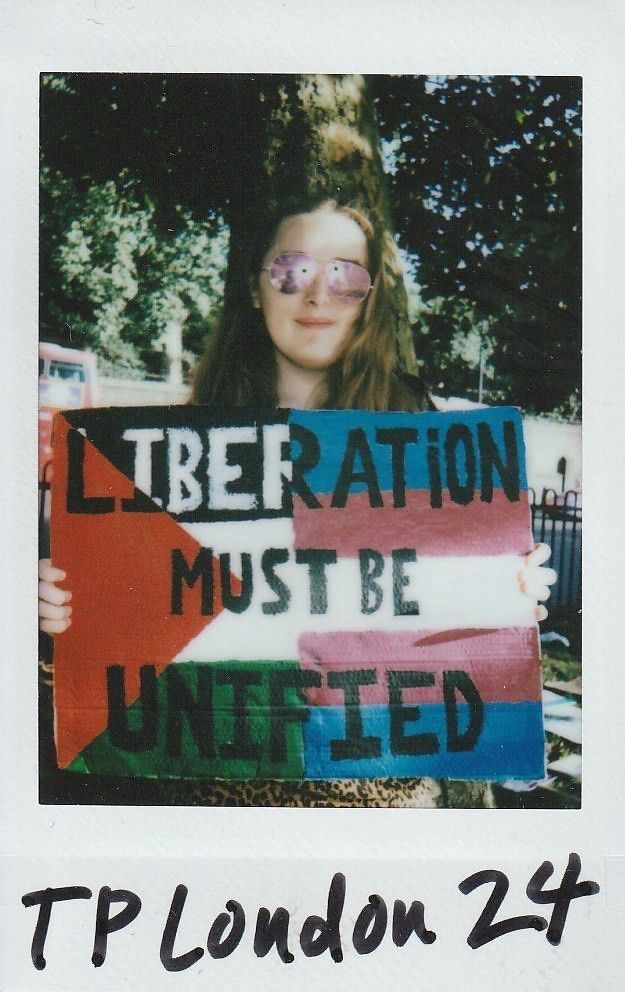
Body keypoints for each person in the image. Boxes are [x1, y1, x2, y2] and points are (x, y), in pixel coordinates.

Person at [39, 196, 556, 806]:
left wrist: (507, 593)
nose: (317, 295)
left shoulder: (425, 440)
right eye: (293, 271)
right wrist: (60, 621)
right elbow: (114, 649)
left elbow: (454, 637)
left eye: (347, 275)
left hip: (385, 820)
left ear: (371, 300)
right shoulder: (162, 454)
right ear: (257, 290)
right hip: (212, 817)